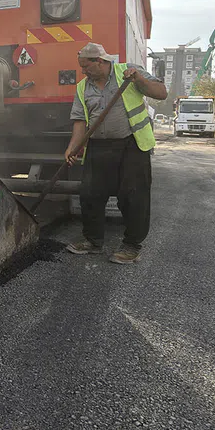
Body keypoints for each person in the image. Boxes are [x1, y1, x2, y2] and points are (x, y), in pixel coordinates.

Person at [63, 43, 168, 264]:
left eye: (86, 67)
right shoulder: (83, 87)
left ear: (100, 62)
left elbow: (161, 93)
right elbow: (81, 120)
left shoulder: (128, 72)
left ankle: (131, 246)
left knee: (133, 197)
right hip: (98, 147)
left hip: (131, 145)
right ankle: (93, 241)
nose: (83, 71)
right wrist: (74, 147)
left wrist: (138, 79)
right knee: (90, 194)